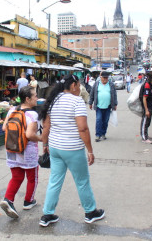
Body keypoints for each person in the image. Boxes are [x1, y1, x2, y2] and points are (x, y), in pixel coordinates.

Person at [38, 74, 104, 227]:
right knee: (82, 181)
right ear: (73, 85)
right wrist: (90, 150)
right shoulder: (77, 101)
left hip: (55, 148)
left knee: (54, 181)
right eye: (79, 84)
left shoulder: (53, 100)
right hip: (72, 149)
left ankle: (47, 214)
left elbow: (46, 126)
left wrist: (45, 145)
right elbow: (83, 128)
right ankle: (90, 212)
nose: (80, 87)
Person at [0, 86, 41, 218]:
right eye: (35, 96)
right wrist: (41, 138)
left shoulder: (12, 110)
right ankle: (28, 201)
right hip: (27, 151)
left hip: (12, 149)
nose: (37, 98)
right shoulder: (33, 114)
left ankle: (8, 199)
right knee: (32, 178)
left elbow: (4, 127)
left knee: (16, 176)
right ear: (27, 99)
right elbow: (29, 135)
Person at [89, 71, 118, 142]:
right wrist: (90, 103)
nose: (105, 79)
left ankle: (103, 134)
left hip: (108, 106)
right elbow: (92, 94)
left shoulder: (111, 84)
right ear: (100, 77)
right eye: (104, 77)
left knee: (105, 121)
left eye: (106, 78)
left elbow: (114, 94)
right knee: (99, 120)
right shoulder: (96, 84)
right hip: (99, 106)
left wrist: (115, 104)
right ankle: (98, 135)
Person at [140, 71, 152, 144]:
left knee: (148, 122)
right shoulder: (147, 85)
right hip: (147, 107)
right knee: (145, 121)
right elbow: (144, 98)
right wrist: (146, 110)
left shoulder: (150, 84)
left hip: (150, 106)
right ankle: (144, 138)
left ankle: (146, 135)